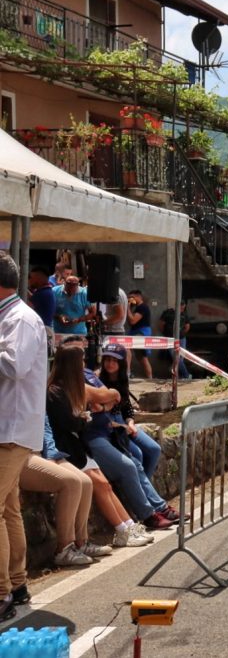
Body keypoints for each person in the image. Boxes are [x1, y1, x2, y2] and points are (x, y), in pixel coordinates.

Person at [46, 344, 152, 549]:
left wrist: (88, 415)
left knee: (105, 483)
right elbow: (70, 422)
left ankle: (128, 527)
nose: (84, 365)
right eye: (81, 362)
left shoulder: (74, 388)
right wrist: (85, 418)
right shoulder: (55, 391)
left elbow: (110, 397)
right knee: (100, 484)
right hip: (66, 447)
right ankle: (121, 530)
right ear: (72, 365)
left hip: (78, 445)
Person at [0, 253, 48, 620]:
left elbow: (13, 365)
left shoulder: (20, 319)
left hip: (11, 430)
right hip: (9, 428)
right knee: (9, 509)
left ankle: (1, 592)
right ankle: (16, 584)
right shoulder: (12, 316)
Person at [19, 416, 112, 567]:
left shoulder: (37, 394)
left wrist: (50, 454)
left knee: (86, 482)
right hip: (20, 453)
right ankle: (64, 548)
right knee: (71, 482)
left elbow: (45, 426)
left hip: (43, 452)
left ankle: (81, 542)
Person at [97, 344, 162, 480]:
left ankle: (146, 487)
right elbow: (97, 412)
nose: (110, 364)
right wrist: (120, 426)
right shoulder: (96, 379)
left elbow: (127, 407)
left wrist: (130, 422)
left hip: (123, 421)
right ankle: (142, 493)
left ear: (121, 362)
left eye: (114, 360)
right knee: (137, 453)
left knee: (154, 449)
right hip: (109, 426)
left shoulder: (123, 378)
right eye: (107, 359)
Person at [158, 301, 191, 380]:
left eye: (184, 307)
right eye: (181, 307)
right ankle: (186, 375)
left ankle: (179, 376)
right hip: (170, 339)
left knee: (180, 358)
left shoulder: (184, 315)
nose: (182, 309)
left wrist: (182, 333)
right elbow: (161, 324)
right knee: (176, 358)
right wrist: (166, 333)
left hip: (181, 339)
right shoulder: (168, 313)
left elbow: (187, 326)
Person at [27, 267, 55, 354]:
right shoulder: (46, 291)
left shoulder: (42, 293)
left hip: (43, 331)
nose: (28, 280)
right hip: (46, 330)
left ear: (38, 279)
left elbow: (27, 307)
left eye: (30, 278)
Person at [127, 290, 153, 378]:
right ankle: (150, 377)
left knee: (127, 346)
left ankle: (128, 372)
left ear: (139, 297)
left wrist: (127, 308)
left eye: (132, 297)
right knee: (142, 358)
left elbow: (133, 321)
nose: (130, 299)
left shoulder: (143, 307)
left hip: (141, 333)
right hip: (137, 333)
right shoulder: (137, 308)